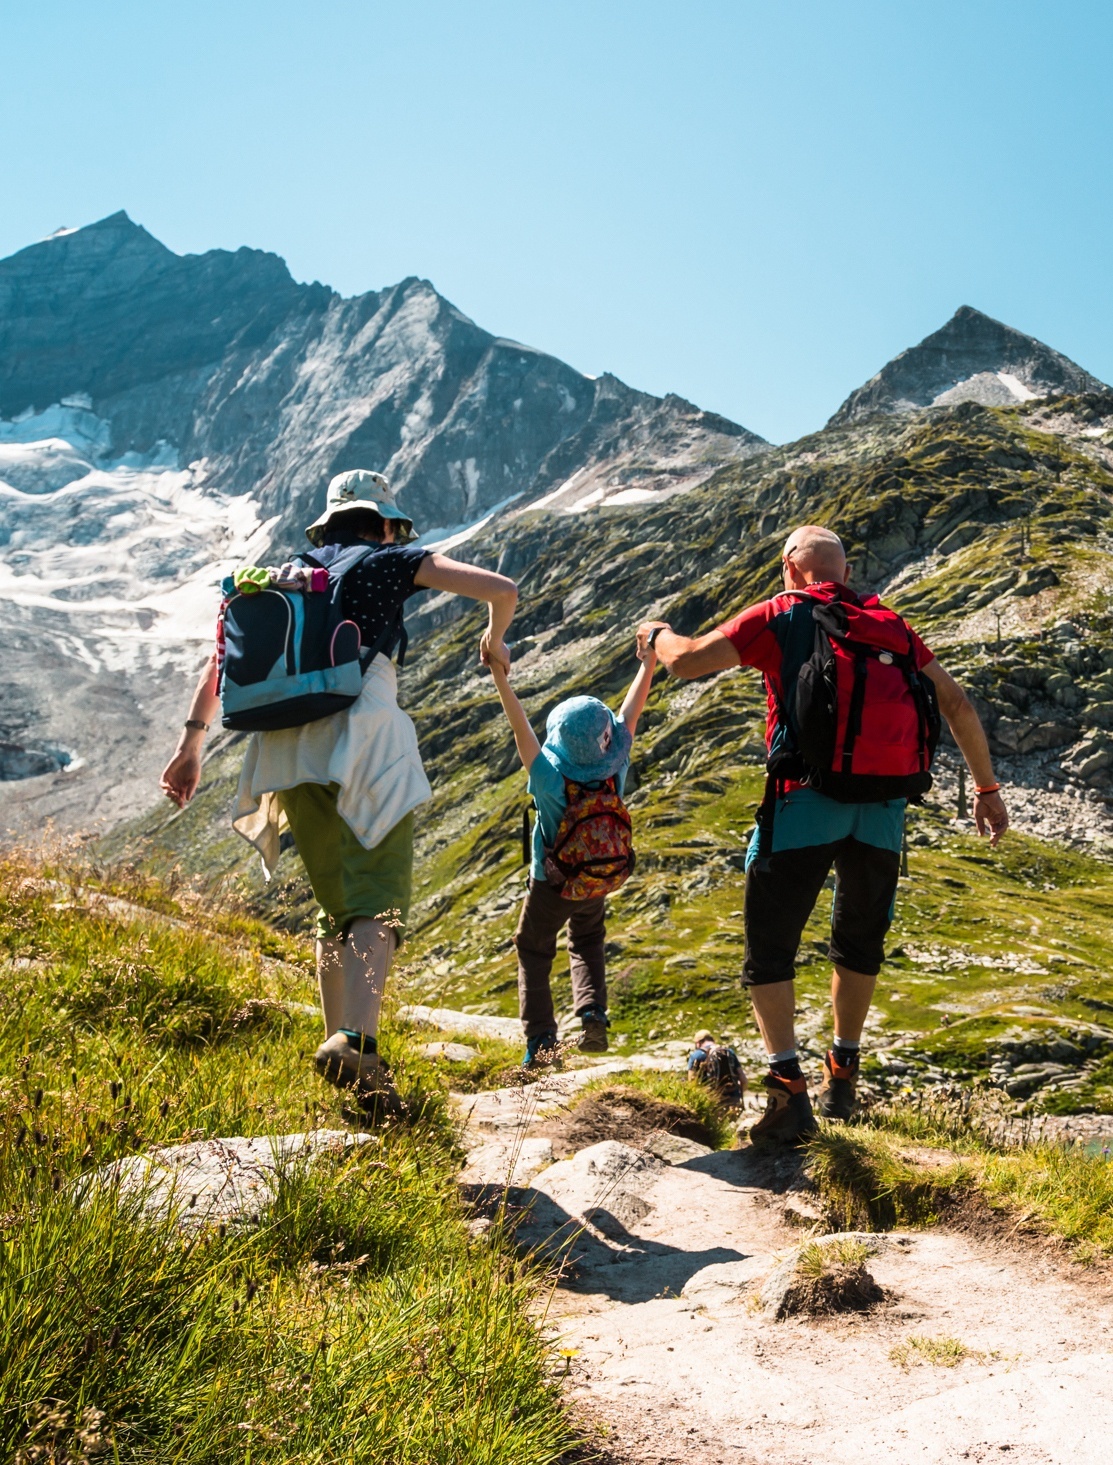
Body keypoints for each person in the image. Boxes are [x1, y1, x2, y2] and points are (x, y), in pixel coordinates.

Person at [160, 469, 519, 1118]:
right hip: (363, 738)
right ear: (382, 522)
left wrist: (191, 746)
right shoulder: (389, 559)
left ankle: (346, 1057)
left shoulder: (281, 578)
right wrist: (494, 639)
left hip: (286, 749)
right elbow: (500, 587)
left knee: (335, 904)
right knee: (376, 900)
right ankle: (357, 1042)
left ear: (326, 524)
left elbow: (222, 660)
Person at [637, 525, 1010, 1147]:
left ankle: (787, 1093)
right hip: (884, 809)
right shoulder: (890, 624)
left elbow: (688, 662)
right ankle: (843, 1075)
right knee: (858, 942)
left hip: (805, 801)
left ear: (790, 568)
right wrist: (987, 790)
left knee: (770, 947)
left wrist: (655, 635)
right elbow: (958, 704)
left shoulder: (783, 611)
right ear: (842, 568)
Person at [487, 641, 658, 1066]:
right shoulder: (614, 769)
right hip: (596, 879)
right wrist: (649, 662)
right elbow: (630, 712)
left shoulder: (548, 780)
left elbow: (519, 728)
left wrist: (499, 675)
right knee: (587, 939)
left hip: (551, 884)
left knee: (533, 948)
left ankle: (542, 1041)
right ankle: (593, 1014)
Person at [687, 1029, 745, 1104]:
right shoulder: (728, 1052)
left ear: (698, 1043)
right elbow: (743, 1080)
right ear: (712, 1040)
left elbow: (691, 1083)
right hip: (733, 1099)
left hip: (710, 1101)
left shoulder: (696, 1055)